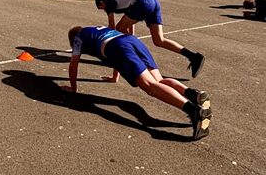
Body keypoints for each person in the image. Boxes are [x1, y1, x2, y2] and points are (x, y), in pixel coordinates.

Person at [64, 25, 212, 141]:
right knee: (159, 81)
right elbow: (114, 57)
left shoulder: (78, 37)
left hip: (118, 47)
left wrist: (73, 88)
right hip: (131, 40)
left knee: (150, 86)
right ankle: (193, 94)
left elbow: (73, 64)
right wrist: (115, 77)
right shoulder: (94, 30)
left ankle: (194, 111)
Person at [95, 0, 205, 78]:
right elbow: (130, 17)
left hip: (142, 2)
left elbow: (112, 28)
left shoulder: (109, 3)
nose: (103, 10)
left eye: (101, 8)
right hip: (153, 1)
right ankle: (193, 56)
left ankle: (135, 55)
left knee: (119, 29)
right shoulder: (119, 1)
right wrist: (132, 37)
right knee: (159, 40)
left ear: (101, 2)